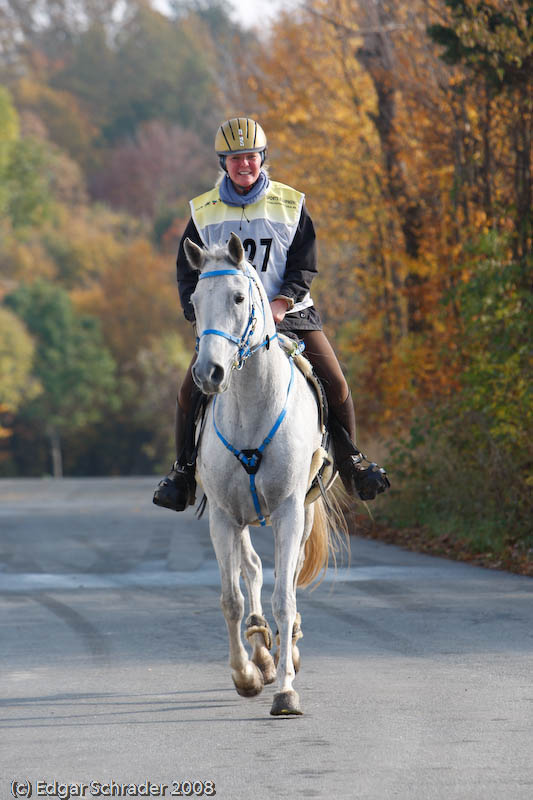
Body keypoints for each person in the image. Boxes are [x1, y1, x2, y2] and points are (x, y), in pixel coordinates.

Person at [153, 117, 389, 512]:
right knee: (187, 390)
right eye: (234, 159)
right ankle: (182, 471)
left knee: (335, 381)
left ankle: (352, 463)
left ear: (262, 158)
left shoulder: (290, 202)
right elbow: (186, 271)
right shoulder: (203, 211)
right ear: (222, 163)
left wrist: (281, 302)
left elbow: (305, 263)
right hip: (228, 325)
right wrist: (203, 318)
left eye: (251, 157)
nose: (244, 165)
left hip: (289, 315)